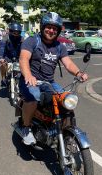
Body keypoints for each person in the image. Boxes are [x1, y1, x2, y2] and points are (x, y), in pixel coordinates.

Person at [19, 12, 88, 145]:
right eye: (49, 27)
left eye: (54, 28)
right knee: (33, 99)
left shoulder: (59, 46)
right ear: (42, 26)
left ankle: (65, 130)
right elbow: (24, 58)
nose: (51, 30)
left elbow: (68, 63)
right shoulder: (32, 41)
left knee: (66, 100)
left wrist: (78, 73)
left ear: (58, 31)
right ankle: (26, 128)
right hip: (30, 80)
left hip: (48, 82)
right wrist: (28, 75)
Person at [0, 22, 22, 87]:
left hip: (18, 58)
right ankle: (3, 79)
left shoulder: (22, 39)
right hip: (7, 57)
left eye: (17, 32)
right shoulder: (6, 38)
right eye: (14, 32)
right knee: (3, 65)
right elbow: (2, 47)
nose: (16, 34)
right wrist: (1, 57)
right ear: (11, 31)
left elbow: (25, 49)